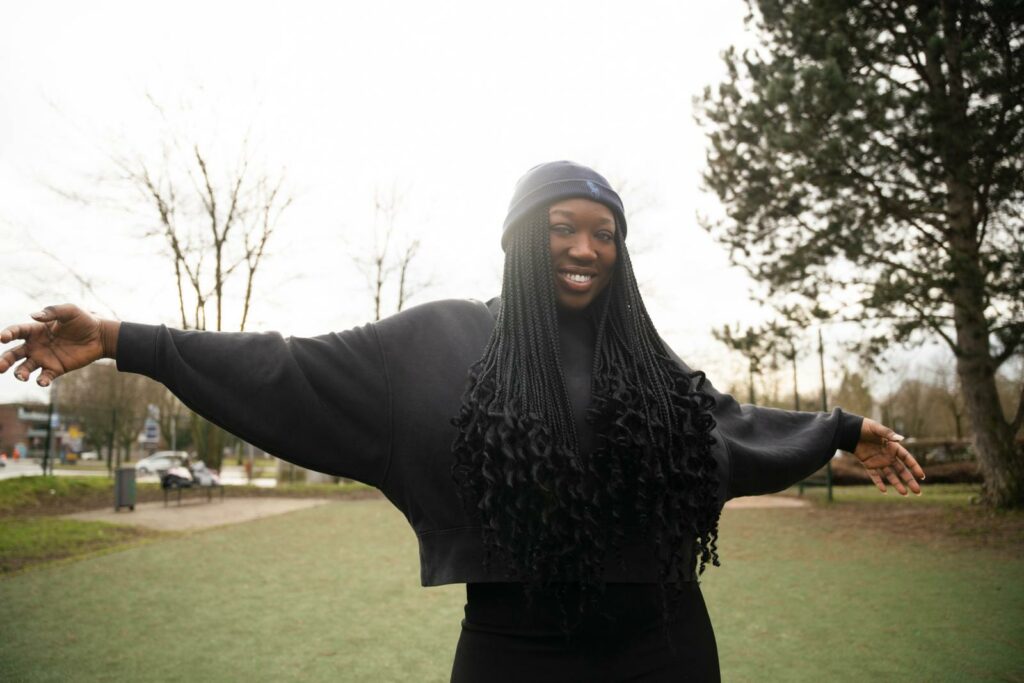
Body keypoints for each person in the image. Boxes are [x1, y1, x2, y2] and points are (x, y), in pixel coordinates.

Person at [0, 161, 925, 681]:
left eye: (604, 232)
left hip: (669, 649)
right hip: (516, 654)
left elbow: (731, 431)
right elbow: (286, 370)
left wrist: (843, 429)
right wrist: (121, 338)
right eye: (563, 226)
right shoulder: (440, 342)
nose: (586, 246)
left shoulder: (648, 364)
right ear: (524, 238)